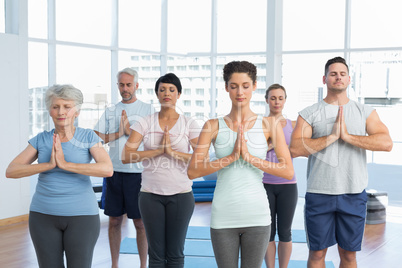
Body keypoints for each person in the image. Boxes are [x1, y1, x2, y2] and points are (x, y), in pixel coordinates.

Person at [187, 61, 294, 268]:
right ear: (226, 87)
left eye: (245, 85)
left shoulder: (269, 124)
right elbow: (193, 171)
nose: (240, 92)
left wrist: (251, 158)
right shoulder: (212, 125)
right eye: (234, 86)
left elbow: (287, 171)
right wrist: (231, 157)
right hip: (223, 216)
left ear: (254, 86)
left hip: (257, 216)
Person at [289, 56, 393, 268]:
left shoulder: (364, 112)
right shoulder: (309, 113)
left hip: (353, 193)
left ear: (349, 79)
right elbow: (295, 148)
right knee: (317, 254)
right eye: (333, 74)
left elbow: (386, 143)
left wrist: (347, 137)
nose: (338, 77)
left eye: (342, 74)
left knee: (349, 255)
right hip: (319, 193)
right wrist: (331, 137)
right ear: (324, 78)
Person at [5, 84, 113, 268]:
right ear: (50, 110)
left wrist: (66, 165)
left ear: (76, 112)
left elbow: (107, 169)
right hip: (43, 215)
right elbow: (11, 170)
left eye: (67, 107)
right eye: (56, 107)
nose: (61, 112)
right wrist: (48, 165)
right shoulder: (41, 139)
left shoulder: (88, 137)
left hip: (82, 216)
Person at [122, 73, 200, 268]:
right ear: (157, 94)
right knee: (155, 255)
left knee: (175, 253)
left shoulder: (189, 123)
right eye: (162, 89)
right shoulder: (145, 122)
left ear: (179, 94)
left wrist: (172, 152)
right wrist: (158, 151)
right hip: (150, 195)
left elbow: (201, 159)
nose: (167, 93)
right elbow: (126, 155)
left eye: (172, 90)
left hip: (181, 195)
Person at [94, 67, 155, 268]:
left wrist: (131, 132)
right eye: (121, 84)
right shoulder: (111, 111)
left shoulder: (147, 110)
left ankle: (143, 265)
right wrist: (119, 132)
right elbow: (97, 136)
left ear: (136, 85)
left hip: (137, 174)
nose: (125, 88)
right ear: (118, 86)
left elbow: (154, 140)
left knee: (140, 223)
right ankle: (114, 264)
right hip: (113, 172)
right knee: (114, 222)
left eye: (129, 84)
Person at [263, 84, 298, 268]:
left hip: (288, 184)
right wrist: (270, 145)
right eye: (273, 98)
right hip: (264, 183)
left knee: (285, 231)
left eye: (280, 98)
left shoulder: (292, 125)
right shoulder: (260, 124)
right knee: (268, 231)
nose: (277, 101)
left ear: (285, 100)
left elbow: (296, 150)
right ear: (267, 100)